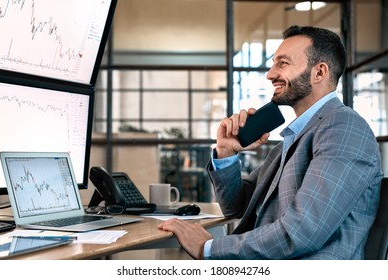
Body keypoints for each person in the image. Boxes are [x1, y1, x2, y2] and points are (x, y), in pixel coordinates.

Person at [158, 25, 383, 260]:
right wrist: (226, 152)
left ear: (319, 73)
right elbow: (237, 206)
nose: (270, 74)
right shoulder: (293, 139)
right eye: (273, 62)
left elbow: (301, 233)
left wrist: (209, 248)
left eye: (283, 63)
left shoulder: (343, 128)